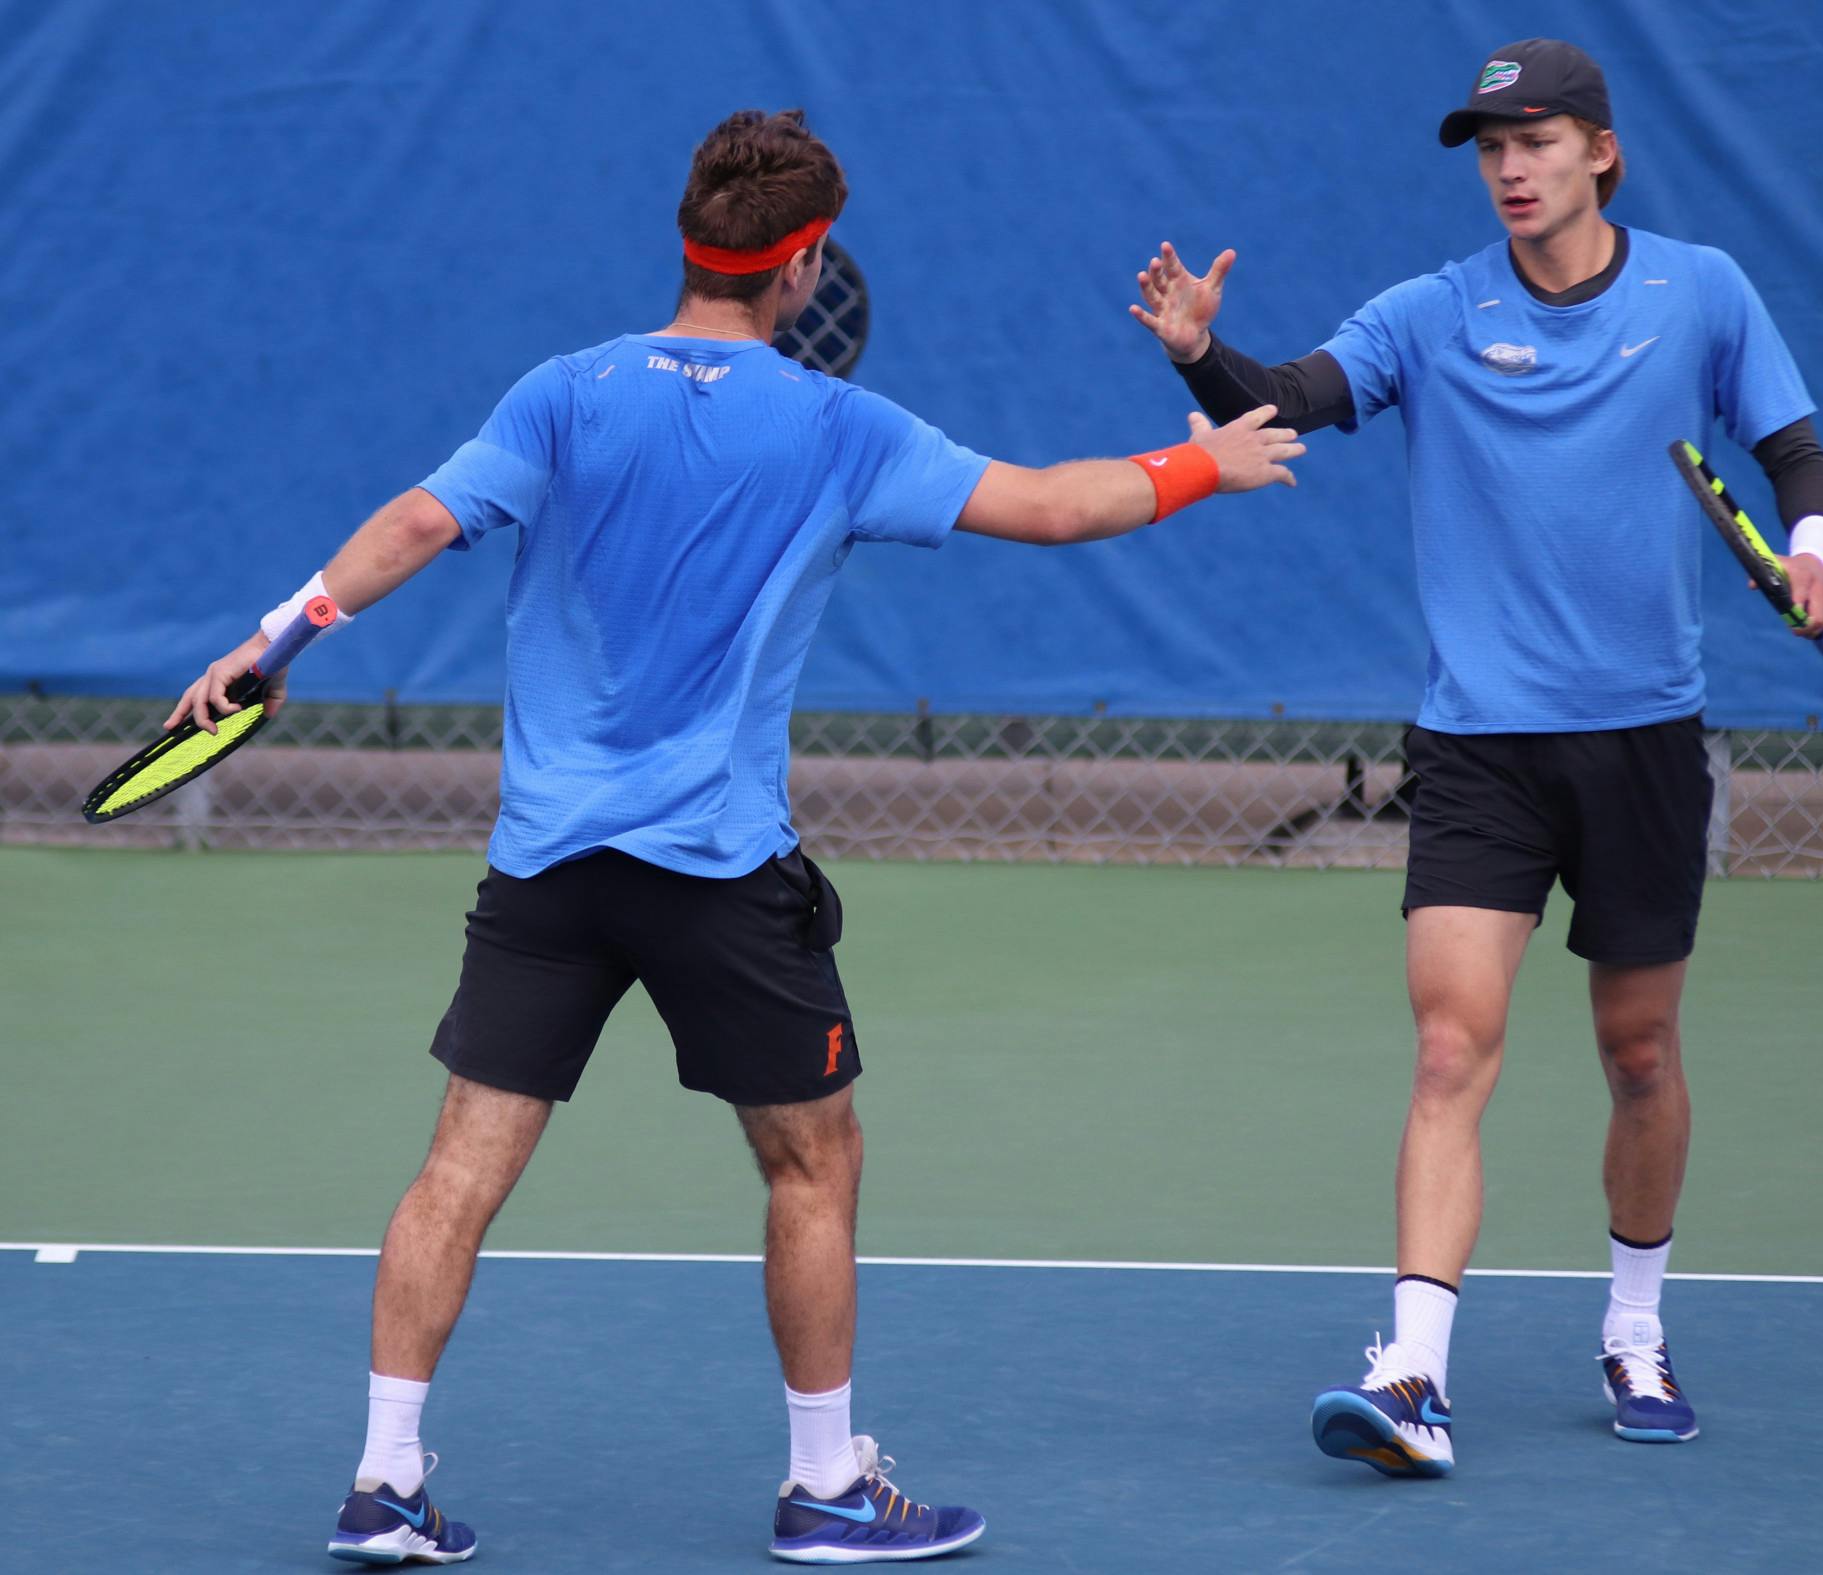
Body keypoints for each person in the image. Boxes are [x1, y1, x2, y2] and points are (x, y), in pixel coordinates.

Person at [167, 108, 1303, 1565]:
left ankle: (385, 1482)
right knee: (813, 1166)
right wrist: (1210, 457)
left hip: (548, 871)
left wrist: (277, 638)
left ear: (692, 242)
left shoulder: (563, 395)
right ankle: (825, 1488)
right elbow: (1055, 507)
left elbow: (412, 524)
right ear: (805, 262)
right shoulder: (838, 428)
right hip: (716, 874)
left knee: (458, 1167)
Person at [1130, 39, 1823, 1475]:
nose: (1509, 168)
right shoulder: (1430, 312)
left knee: (1638, 1051)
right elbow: (1282, 405)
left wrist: (1815, 551)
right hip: (1478, 745)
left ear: (1600, 153)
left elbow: (1798, 460)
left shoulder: (1700, 291)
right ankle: (1412, 1377)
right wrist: (1203, 352)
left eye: (1534, 141)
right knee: (1452, 1044)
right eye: (1489, 147)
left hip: (1645, 737)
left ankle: (1634, 1327)